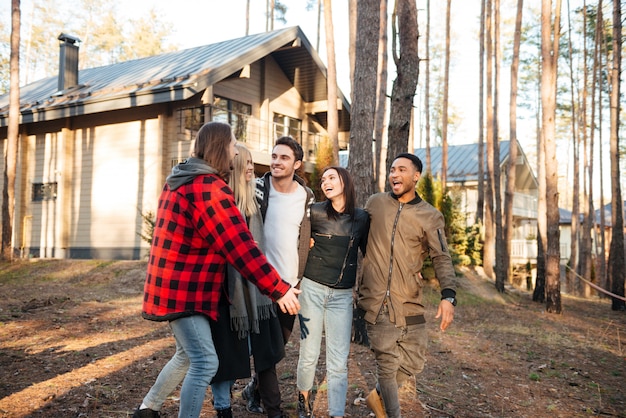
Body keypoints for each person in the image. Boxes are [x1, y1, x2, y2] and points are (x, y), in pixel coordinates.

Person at [132, 122, 301, 418]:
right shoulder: (207, 187)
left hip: (176, 287)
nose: (235, 151)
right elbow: (240, 247)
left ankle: (147, 409)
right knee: (205, 362)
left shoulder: (180, 178)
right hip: (185, 290)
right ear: (220, 147)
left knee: (187, 355)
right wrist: (278, 288)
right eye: (233, 145)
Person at [358, 153, 457, 418]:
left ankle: (376, 395)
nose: (394, 174)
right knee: (387, 364)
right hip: (376, 299)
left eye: (401, 170)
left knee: (415, 360)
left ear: (415, 176)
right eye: (392, 169)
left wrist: (448, 295)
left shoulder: (430, 216)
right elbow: (355, 231)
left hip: (409, 298)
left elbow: (441, 256)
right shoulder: (375, 203)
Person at [239, 136, 315, 417]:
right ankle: (275, 411)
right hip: (261, 283)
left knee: (278, 346)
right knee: (266, 352)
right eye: (273, 156)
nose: (276, 161)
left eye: (284, 157)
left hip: (290, 285)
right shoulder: (258, 188)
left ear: (297, 164)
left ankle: (252, 389)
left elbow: (307, 230)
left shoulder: (306, 196)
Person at [209, 144, 286, 418]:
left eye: (253, 162)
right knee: (224, 353)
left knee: (254, 349)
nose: (251, 167)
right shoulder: (221, 200)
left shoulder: (256, 200)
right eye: (246, 162)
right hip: (225, 291)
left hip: (256, 289)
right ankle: (222, 407)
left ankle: (253, 397)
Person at [296, 166, 369, 418]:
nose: (325, 182)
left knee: (338, 361)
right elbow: (297, 240)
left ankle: (336, 413)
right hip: (312, 289)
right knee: (309, 353)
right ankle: (303, 399)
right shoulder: (315, 212)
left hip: (341, 297)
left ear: (345, 181)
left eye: (332, 178)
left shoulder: (361, 218)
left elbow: (370, 254)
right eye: (323, 179)